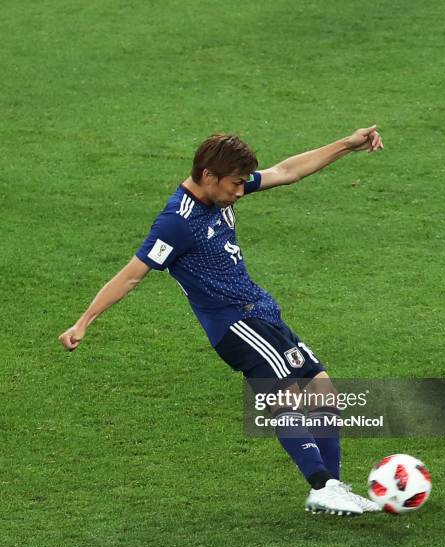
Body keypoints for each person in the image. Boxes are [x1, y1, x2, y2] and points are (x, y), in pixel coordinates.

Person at [59, 126, 384, 516]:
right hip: (235, 325)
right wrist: (84, 321)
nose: (240, 192)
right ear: (209, 177)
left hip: (260, 312)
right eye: (235, 184)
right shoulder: (177, 222)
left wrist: (347, 145)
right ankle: (321, 485)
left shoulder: (222, 193)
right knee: (286, 397)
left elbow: (287, 171)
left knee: (323, 392)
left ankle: (330, 489)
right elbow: (132, 274)